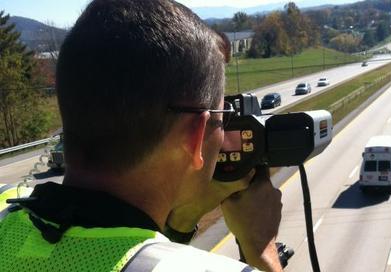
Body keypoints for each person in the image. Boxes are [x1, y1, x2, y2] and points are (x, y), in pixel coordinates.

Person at [0, 0, 283, 271]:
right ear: (194, 137)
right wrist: (262, 252)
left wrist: (182, 221)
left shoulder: (6, 205)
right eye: (222, 118)